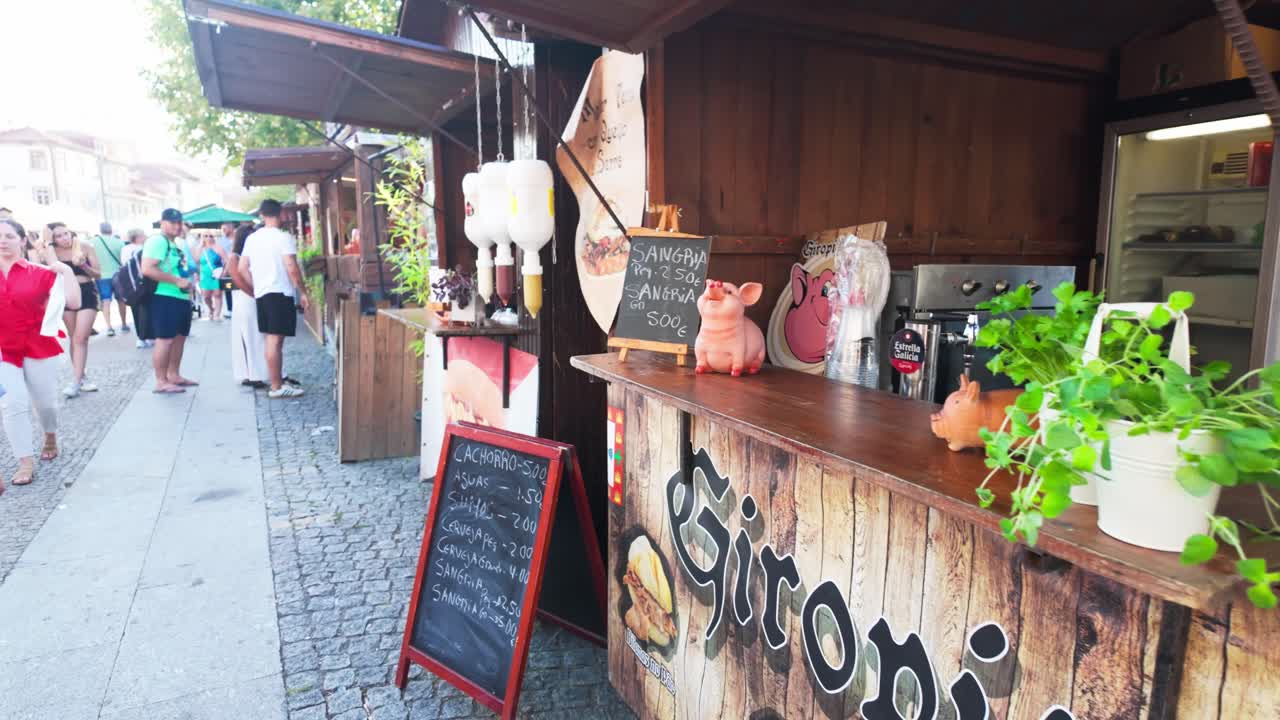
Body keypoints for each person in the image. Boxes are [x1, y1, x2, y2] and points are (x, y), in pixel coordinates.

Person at [0, 217, 81, 493]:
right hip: (3, 351)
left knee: (45, 403)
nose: (3, 241)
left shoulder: (39, 272)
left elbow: (73, 302)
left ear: (23, 241)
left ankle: (50, 434)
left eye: (9, 236)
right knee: (13, 404)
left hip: (37, 346)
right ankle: (25, 462)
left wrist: (66, 272)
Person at [241, 199, 308, 398]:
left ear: (261, 215)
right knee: (275, 340)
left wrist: (256, 287)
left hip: (263, 293)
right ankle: (277, 386)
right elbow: (291, 267)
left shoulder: (252, 239)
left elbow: (242, 269)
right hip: (280, 291)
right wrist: (303, 291)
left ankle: (277, 383)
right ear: (280, 214)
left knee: (272, 339)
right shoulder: (283, 237)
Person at [140, 209, 197, 393]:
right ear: (162, 222)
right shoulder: (157, 241)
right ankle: (161, 381)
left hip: (179, 296)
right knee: (164, 340)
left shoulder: (175, 243)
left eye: (179, 222)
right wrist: (176, 281)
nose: (177, 226)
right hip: (164, 296)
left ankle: (174, 375)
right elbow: (147, 269)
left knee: (179, 337)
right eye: (172, 222)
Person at [49, 222, 101, 398]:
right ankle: (82, 376)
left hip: (86, 292)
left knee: (81, 336)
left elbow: (98, 274)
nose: (65, 238)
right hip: (65, 294)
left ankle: (76, 382)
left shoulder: (85, 246)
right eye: (59, 236)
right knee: (74, 338)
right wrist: (48, 245)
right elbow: (49, 269)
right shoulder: (52, 252)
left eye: (66, 233)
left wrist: (84, 265)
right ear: (52, 239)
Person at [226, 224, 269, 388]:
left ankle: (253, 372)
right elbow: (238, 281)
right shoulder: (235, 257)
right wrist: (255, 295)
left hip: (250, 296)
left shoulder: (249, 255)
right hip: (245, 298)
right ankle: (252, 374)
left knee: (254, 336)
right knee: (250, 336)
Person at [90, 221, 129, 336]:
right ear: (111, 230)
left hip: (101, 276)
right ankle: (124, 324)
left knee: (105, 301)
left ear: (100, 230)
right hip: (118, 275)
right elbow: (123, 260)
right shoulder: (119, 242)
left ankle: (109, 327)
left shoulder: (92, 242)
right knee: (121, 300)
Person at [121, 229, 153, 349]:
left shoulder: (125, 249)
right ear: (138, 237)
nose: (145, 236)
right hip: (144, 283)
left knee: (136, 310)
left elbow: (123, 264)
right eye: (143, 234)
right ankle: (146, 336)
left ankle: (141, 337)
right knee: (146, 309)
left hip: (129, 283)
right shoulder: (144, 249)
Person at [197, 235, 225, 321]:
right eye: (205, 236)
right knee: (206, 296)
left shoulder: (218, 248)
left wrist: (224, 273)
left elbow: (227, 260)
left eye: (211, 236)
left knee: (217, 294)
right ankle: (211, 309)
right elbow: (196, 261)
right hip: (205, 276)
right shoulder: (201, 249)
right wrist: (197, 275)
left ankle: (217, 314)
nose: (208, 237)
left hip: (217, 275)